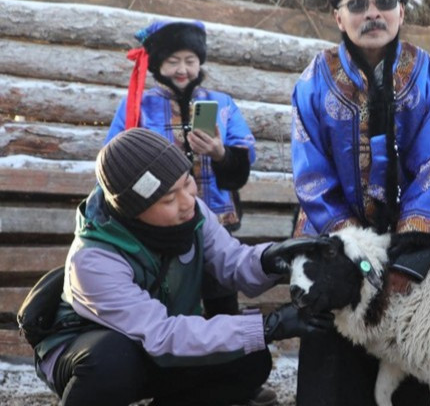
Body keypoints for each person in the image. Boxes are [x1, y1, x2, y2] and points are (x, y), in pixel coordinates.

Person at [32, 128, 332, 406]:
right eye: (168, 199)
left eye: (187, 182)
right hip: (90, 354)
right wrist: (269, 326)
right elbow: (162, 334)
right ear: (134, 211)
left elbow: (233, 263)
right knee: (113, 359)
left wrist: (274, 258)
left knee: (251, 359)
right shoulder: (93, 260)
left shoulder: (193, 214)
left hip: (158, 345)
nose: (188, 201)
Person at [290, 0, 430, 406]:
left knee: (421, 357)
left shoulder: (429, 78)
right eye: (357, 4)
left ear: (402, 12)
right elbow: (311, 176)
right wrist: (354, 250)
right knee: (334, 372)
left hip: (412, 240)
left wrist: (408, 255)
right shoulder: (313, 81)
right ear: (337, 15)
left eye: (386, 2)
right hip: (334, 236)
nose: (374, 14)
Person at [106, 19, 256, 317]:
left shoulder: (222, 104)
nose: (182, 69)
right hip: (158, 228)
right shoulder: (138, 105)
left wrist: (220, 153)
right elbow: (116, 158)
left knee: (221, 303)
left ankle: (225, 359)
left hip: (217, 223)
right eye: (173, 61)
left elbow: (241, 167)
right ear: (157, 64)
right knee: (168, 304)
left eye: (190, 60)